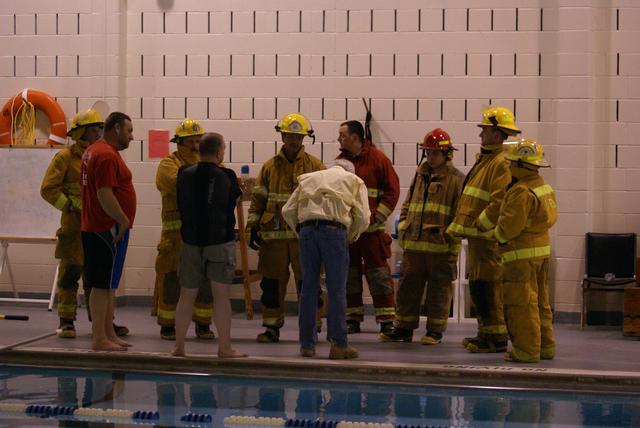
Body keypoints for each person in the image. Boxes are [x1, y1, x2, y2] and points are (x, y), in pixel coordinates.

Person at [446, 106, 521, 353]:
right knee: (479, 287)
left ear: (498, 135)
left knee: (489, 287)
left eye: (485, 131)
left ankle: (496, 338)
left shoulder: (500, 163)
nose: (481, 135)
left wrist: (482, 224)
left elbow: (498, 201)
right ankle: (485, 333)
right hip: (478, 238)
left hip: (486, 239)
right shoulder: (487, 160)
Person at [246, 112, 325, 343]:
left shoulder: (315, 165)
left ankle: (311, 327)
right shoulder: (270, 167)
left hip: (305, 238)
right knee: (271, 284)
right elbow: (258, 200)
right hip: (273, 240)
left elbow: (323, 200)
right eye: (289, 135)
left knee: (308, 283)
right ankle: (271, 328)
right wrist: (252, 225)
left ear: (304, 138)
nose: (293, 141)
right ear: (282, 135)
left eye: (298, 136)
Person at [381, 128, 464, 345]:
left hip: (441, 247)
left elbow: (460, 213)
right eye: (428, 152)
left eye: (435, 153)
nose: (430, 157)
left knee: (438, 290)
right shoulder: (421, 174)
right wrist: (406, 223)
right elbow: (409, 202)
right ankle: (404, 328)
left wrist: (449, 238)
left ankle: (435, 331)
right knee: (408, 287)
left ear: (447, 155)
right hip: (415, 245)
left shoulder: (457, 180)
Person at [282, 158, 370, 359]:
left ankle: (307, 345)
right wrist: (350, 235)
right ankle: (338, 345)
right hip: (334, 231)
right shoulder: (354, 180)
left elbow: (287, 210)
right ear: (349, 170)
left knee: (308, 289)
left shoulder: (308, 178)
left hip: (307, 231)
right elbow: (363, 217)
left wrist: (300, 230)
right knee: (336, 289)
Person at [170, 132, 246, 358]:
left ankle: (179, 347)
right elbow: (236, 199)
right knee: (221, 295)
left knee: (187, 294)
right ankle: (224, 348)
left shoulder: (184, 173)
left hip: (191, 241)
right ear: (219, 151)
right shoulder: (227, 175)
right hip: (219, 241)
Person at [495, 139, 557, 363]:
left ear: (521, 165)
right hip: (540, 253)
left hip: (521, 257)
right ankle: (545, 347)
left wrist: (497, 237)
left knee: (521, 305)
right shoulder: (542, 186)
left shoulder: (521, 191)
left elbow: (509, 227)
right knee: (540, 302)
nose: (509, 167)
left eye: (512, 163)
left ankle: (527, 351)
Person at [154, 118, 215, 341]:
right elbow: (178, 184)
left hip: (202, 235)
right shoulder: (168, 164)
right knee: (171, 279)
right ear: (179, 141)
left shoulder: (211, 163)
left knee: (205, 279)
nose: (196, 145)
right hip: (175, 236)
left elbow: (219, 184)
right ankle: (168, 325)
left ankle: (203, 324)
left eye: (200, 140)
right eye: (192, 141)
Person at [337, 120, 400, 335]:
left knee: (379, 276)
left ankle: (386, 320)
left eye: (342, 136)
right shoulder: (340, 163)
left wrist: (376, 217)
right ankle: (353, 318)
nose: (339, 140)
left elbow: (392, 192)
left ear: (355, 138)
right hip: (349, 234)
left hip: (372, 234)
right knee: (350, 276)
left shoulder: (378, 160)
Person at [80, 111, 136, 351]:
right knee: (101, 285)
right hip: (106, 228)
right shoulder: (104, 155)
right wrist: (123, 220)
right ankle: (99, 338)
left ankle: (108, 333)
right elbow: (104, 194)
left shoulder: (98, 151)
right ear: (115, 129)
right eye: (129, 131)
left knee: (108, 284)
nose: (131, 137)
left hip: (102, 226)